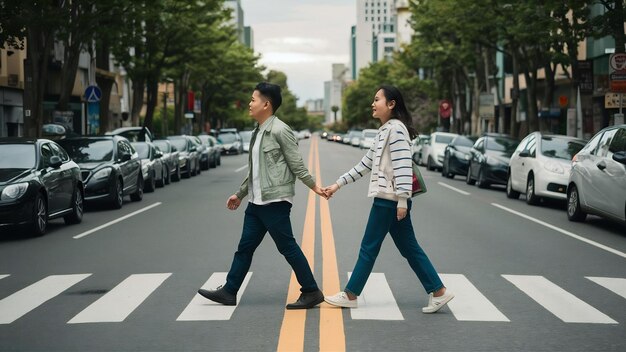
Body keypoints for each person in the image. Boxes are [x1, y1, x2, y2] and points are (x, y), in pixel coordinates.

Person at [322, 85, 454, 313]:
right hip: (391, 200)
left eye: (377, 100)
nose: (373, 104)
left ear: (391, 104)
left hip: (389, 200)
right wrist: (338, 184)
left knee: (368, 247)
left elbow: (403, 166)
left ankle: (351, 294)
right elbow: (365, 164)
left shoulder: (397, 130)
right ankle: (439, 291)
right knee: (409, 248)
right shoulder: (386, 130)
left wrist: (402, 201)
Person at [198, 82, 327, 309]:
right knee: (244, 248)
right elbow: (255, 171)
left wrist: (314, 186)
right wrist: (240, 194)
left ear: (266, 104)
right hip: (256, 202)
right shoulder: (257, 132)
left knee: (287, 247)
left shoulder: (280, 130)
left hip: (275, 201)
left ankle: (311, 290)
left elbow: (296, 164)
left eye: (253, 99)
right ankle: (229, 291)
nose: (249, 103)